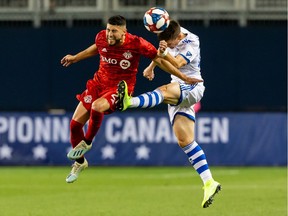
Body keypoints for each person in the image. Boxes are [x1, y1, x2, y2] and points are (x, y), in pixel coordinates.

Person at [60, 15, 202, 184]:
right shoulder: (101, 37)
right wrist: (75, 57)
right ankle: (80, 162)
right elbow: (98, 48)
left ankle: (88, 142)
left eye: (114, 31)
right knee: (75, 125)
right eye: (108, 30)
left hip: (118, 88)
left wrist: (182, 77)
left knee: (97, 107)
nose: (109, 34)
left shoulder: (137, 43)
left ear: (124, 31)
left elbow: (159, 60)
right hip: (97, 84)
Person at [117, 20, 221, 208]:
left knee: (162, 91)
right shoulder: (170, 32)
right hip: (179, 88)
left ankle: (128, 102)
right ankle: (209, 182)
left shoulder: (192, 42)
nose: (169, 46)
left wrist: (164, 53)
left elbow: (178, 62)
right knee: (185, 141)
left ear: (177, 37)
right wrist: (151, 67)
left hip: (192, 85)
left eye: (171, 43)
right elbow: (161, 53)